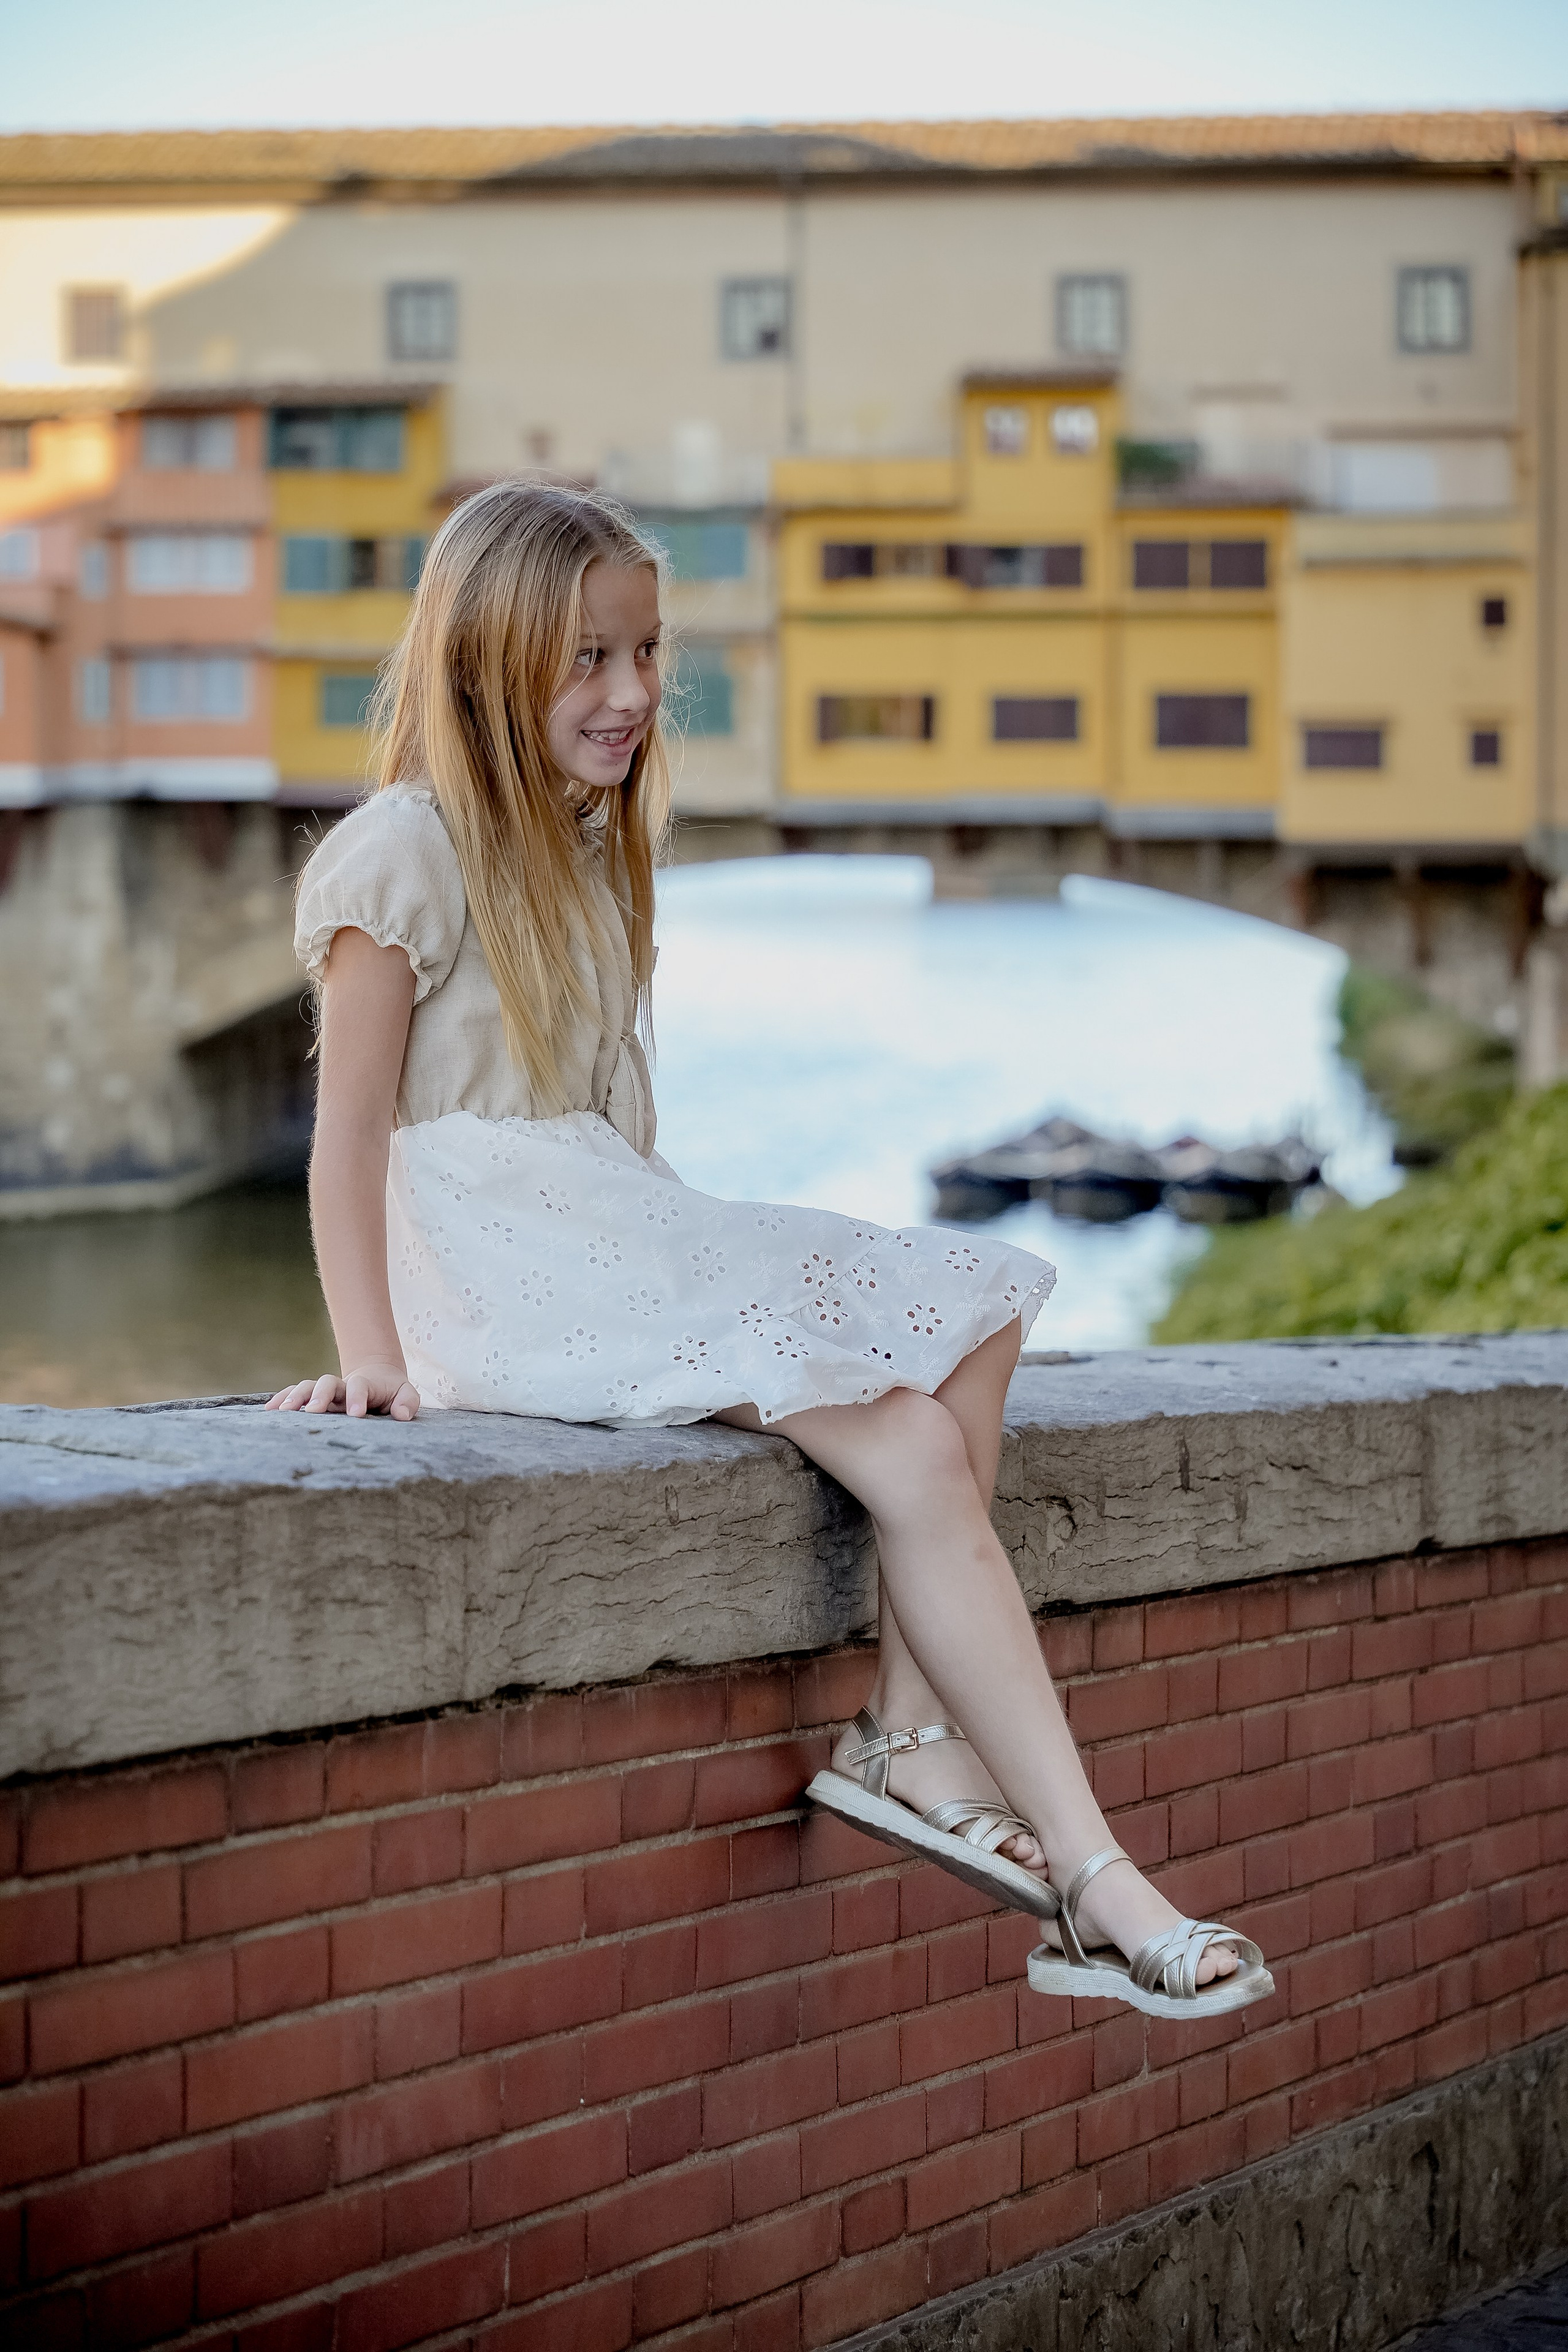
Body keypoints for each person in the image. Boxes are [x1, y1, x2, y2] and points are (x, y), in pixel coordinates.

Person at [269, 481, 1271, 2021]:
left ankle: (910, 1741)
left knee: (973, 1312)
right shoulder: (398, 849)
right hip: (496, 1268)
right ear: (482, 663)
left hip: (603, 1230)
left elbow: (616, 1143)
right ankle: (1086, 1874)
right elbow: (345, 1139)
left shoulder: (592, 857)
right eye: (588, 659)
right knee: (915, 1438)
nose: (631, 694)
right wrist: (371, 1362)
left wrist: (717, 1273)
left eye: (645, 653)